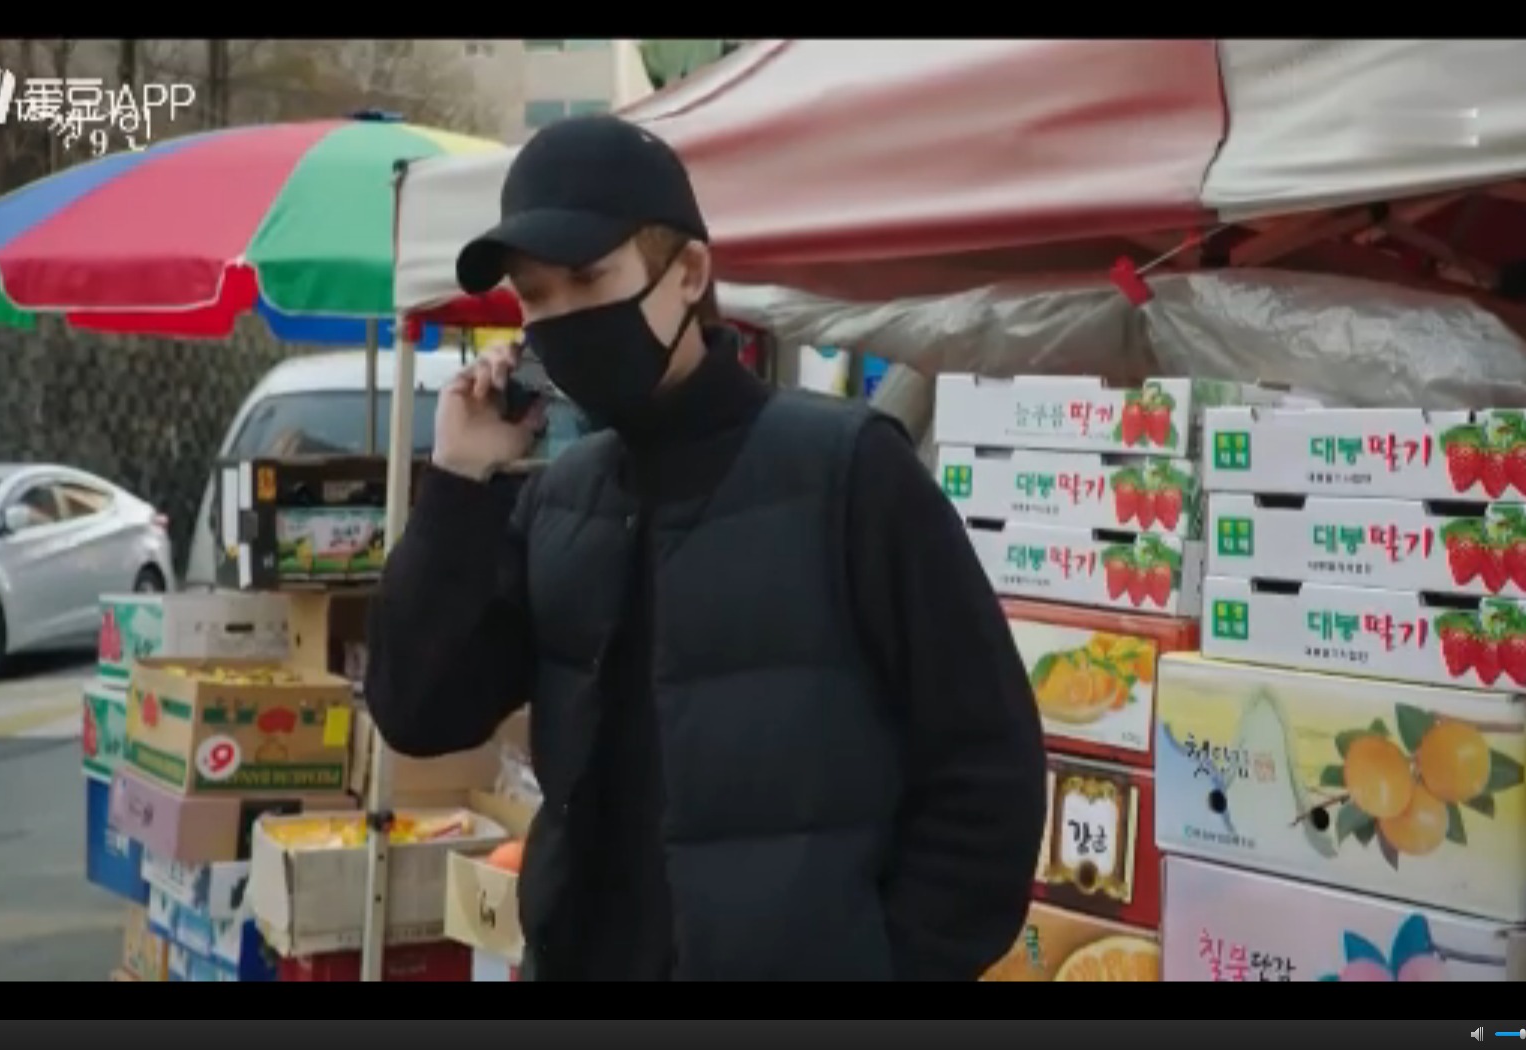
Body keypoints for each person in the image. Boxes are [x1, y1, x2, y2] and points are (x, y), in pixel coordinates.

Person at [365, 114, 1046, 982]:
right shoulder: (558, 500)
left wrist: (886, 963)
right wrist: (459, 483)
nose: (562, 318)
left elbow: (988, 767)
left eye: (588, 277)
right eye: (535, 296)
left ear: (688, 272)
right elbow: (419, 710)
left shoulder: (847, 472)